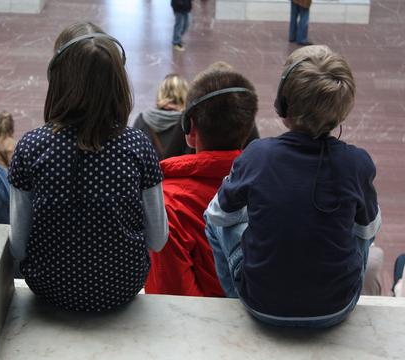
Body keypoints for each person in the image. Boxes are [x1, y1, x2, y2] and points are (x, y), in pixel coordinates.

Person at [205, 45, 381, 328]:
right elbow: (367, 232)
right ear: (342, 110)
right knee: (365, 222)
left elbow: (218, 215)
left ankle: (233, 299)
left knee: (213, 225)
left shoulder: (257, 155)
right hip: (337, 307)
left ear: (282, 104)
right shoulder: (357, 162)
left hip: (261, 306)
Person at [8, 22, 168, 312]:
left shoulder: (31, 147)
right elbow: (158, 240)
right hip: (122, 287)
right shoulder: (139, 146)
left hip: (49, 289)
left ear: (56, 78)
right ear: (119, 80)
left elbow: (17, 246)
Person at [146, 64, 258, 297]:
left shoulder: (169, 205)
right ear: (248, 130)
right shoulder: (272, 187)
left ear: (190, 128)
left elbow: (170, 297)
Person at [133, 74, 191, 160]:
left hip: (150, 173)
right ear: (185, 94)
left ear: (161, 93)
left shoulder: (142, 119)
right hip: (178, 172)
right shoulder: (188, 121)